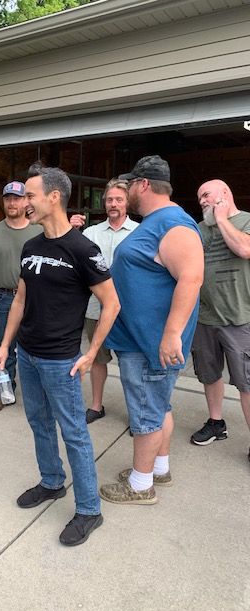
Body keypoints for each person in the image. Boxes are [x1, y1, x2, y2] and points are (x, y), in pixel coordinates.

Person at [0, 165, 120, 546]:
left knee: (74, 433)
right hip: (28, 355)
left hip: (62, 360)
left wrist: (92, 352)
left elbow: (111, 303)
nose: (24, 203)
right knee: (38, 422)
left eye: (30, 196)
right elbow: (20, 299)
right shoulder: (31, 246)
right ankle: (51, 482)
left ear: (54, 197)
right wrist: (5, 345)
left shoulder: (83, 249)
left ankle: (89, 510)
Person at [100, 155, 204, 505]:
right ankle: (159, 468)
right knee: (159, 407)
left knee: (145, 412)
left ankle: (140, 485)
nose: (126, 190)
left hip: (151, 345)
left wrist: (172, 334)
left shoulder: (174, 224)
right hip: (142, 340)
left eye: (129, 184)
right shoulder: (157, 222)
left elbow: (191, 278)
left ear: (143, 184)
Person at [190, 180, 250, 462]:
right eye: (199, 198)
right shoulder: (198, 229)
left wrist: (222, 219)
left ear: (225, 193)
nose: (202, 201)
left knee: (246, 383)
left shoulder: (246, 220)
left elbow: (245, 250)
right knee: (209, 374)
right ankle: (216, 423)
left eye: (206, 195)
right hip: (204, 317)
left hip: (241, 318)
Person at [0, 181, 41, 414]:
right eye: (8, 198)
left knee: (39, 347)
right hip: (4, 299)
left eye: (17, 198)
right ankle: (4, 392)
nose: (12, 203)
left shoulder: (39, 230)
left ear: (26, 201)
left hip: (36, 299)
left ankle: (42, 394)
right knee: (4, 348)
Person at [82, 179, 139, 423]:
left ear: (127, 203)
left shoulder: (140, 232)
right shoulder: (90, 233)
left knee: (131, 365)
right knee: (97, 358)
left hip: (129, 311)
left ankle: (136, 414)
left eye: (119, 200)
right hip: (96, 308)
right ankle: (96, 406)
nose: (113, 204)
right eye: (109, 200)